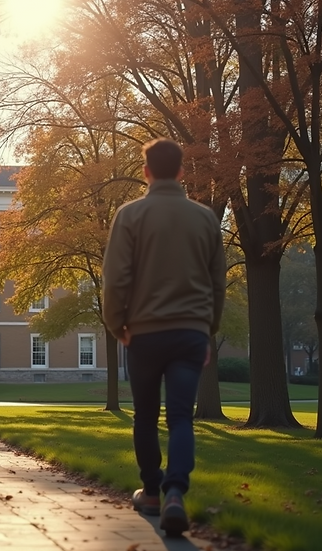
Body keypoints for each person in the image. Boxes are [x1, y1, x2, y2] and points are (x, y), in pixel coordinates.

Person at [102, 138, 226, 536]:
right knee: (180, 417)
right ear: (182, 172)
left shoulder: (130, 215)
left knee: (145, 416)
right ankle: (176, 492)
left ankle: (152, 491)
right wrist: (209, 330)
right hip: (190, 333)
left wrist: (116, 325)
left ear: (145, 171)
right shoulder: (206, 218)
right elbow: (217, 282)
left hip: (145, 332)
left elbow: (116, 278)